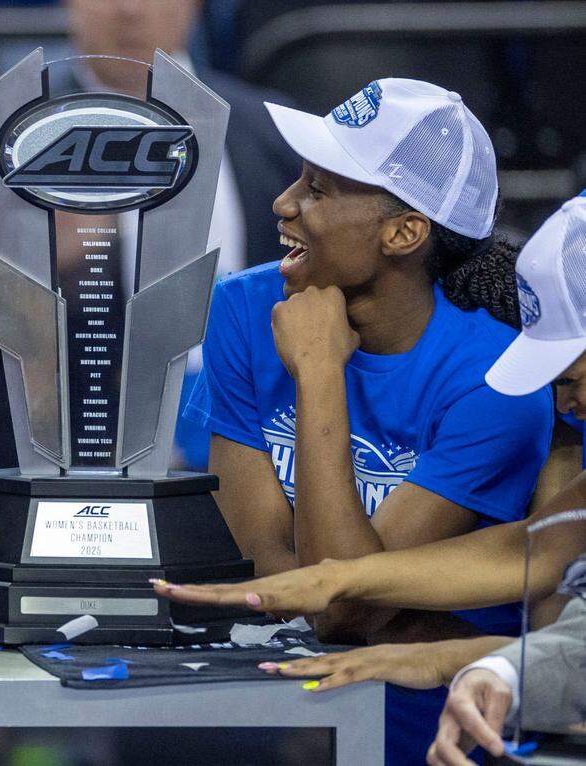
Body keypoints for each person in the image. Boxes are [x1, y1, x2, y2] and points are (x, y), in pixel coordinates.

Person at [160, 78, 553, 764]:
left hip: (443, 735)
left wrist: (319, 375)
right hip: (289, 714)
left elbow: (338, 605)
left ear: (404, 232)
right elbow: (270, 575)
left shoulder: (498, 379)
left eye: (318, 189)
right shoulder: (244, 310)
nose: (283, 203)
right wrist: (391, 601)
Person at [0, 0, 299, 536]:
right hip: (61, 472)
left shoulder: (271, 129)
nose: (130, 9)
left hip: (254, 456)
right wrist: (32, 254)